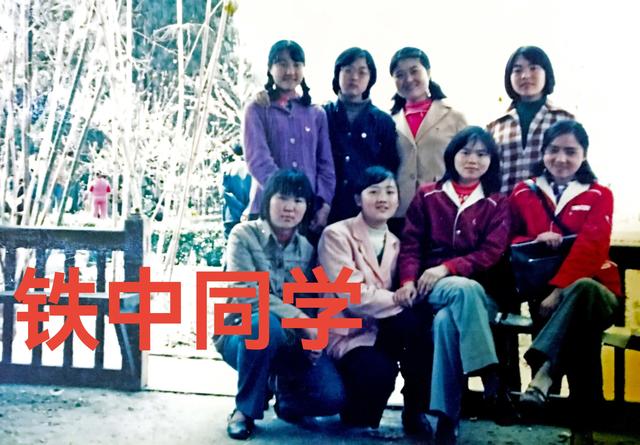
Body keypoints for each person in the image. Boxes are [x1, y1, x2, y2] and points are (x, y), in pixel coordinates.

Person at [397, 126, 514, 443]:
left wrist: (448, 268)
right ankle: (489, 374)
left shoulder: (496, 202)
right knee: (463, 290)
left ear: (491, 160)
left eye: (482, 154)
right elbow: (410, 245)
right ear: (452, 155)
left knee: (447, 321)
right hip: (432, 287)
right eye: (466, 152)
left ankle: (447, 418)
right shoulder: (428, 195)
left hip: (479, 293)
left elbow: (491, 252)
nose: (473, 160)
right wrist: (407, 280)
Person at [509, 121, 620, 445]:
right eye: (554, 150)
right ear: (543, 152)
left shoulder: (600, 194)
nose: (561, 158)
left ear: (584, 155)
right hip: (545, 296)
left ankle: (543, 373)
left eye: (571, 151)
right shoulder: (523, 192)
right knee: (582, 341)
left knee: (583, 289)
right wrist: (534, 239)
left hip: (598, 294)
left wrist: (559, 290)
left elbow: (593, 246)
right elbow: (510, 238)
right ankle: (583, 432)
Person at [214, 168, 344, 441]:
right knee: (263, 324)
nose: (290, 207)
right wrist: (303, 321)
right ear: (267, 199)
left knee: (331, 396)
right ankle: (245, 410)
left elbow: (309, 301)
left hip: (290, 337)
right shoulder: (243, 235)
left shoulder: (307, 249)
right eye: (282, 198)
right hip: (240, 332)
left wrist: (312, 339)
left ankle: (286, 400)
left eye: (298, 200)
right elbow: (248, 294)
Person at [318, 166, 432, 436]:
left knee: (422, 333)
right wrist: (399, 299)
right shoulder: (336, 235)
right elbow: (352, 295)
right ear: (358, 199)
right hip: (346, 331)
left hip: (379, 329)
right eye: (374, 192)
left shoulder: (396, 243)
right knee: (373, 381)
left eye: (390, 192)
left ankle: (415, 410)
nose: (383, 198)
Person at [243, 40, 335, 238]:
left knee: (305, 260)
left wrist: (324, 205)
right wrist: (285, 199)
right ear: (270, 68)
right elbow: (257, 159)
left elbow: (326, 165)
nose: (290, 71)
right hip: (266, 212)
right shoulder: (257, 109)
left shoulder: (316, 113)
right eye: (282, 64)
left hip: (307, 214)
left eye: (296, 64)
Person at [388, 47, 467, 235]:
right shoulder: (389, 122)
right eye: (400, 75)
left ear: (428, 72)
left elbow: (467, 165)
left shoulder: (454, 117)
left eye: (414, 71)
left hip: (444, 210)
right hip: (400, 213)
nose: (408, 79)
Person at [323, 48, 399, 224]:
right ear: (337, 74)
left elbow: (389, 169)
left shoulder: (383, 121)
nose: (354, 77)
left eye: (362, 72)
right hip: (325, 210)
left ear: (370, 78)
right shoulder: (321, 116)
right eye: (348, 70)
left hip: (366, 214)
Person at [488, 46, 574, 195]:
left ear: (546, 73)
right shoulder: (496, 125)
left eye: (533, 68)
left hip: (549, 206)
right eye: (517, 70)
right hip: (504, 207)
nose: (525, 76)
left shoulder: (564, 119)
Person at [222, 143, 251, 239]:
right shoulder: (254, 168)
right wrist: (247, 210)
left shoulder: (227, 168)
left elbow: (224, 192)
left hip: (232, 216)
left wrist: (239, 210)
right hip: (250, 215)